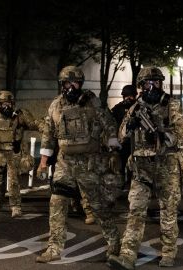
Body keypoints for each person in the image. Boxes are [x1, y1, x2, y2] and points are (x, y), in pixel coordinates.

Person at [36, 65, 121, 263]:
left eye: (74, 83)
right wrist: (43, 163)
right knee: (57, 203)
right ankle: (54, 248)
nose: (70, 87)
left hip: (89, 163)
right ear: (62, 84)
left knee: (97, 205)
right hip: (64, 163)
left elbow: (109, 125)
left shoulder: (93, 103)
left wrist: (113, 151)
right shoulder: (55, 106)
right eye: (67, 83)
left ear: (80, 84)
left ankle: (114, 242)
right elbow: (48, 135)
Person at [108, 67, 183, 269]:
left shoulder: (171, 106)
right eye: (148, 83)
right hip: (141, 168)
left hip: (166, 165)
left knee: (168, 211)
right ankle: (127, 255)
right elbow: (120, 137)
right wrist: (130, 125)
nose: (152, 86)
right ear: (141, 86)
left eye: (156, 82)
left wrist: (165, 135)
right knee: (136, 211)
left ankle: (169, 252)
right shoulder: (135, 108)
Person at [0, 90, 42, 218]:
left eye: (9, 103)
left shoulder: (20, 115)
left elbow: (34, 124)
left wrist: (45, 126)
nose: (7, 106)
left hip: (13, 152)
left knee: (13, 181)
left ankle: (15, 206)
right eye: (4, 104)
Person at [110, 85, 137, 190]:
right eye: (127, 96)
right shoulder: (117, 109)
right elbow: (112, 125)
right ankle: (121, 186)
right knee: (120, 165)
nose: (129, 99)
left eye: (131, 96)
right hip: (122, 143)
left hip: (135, 142)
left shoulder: (138, 107)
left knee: (135, 166)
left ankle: (132, 184)